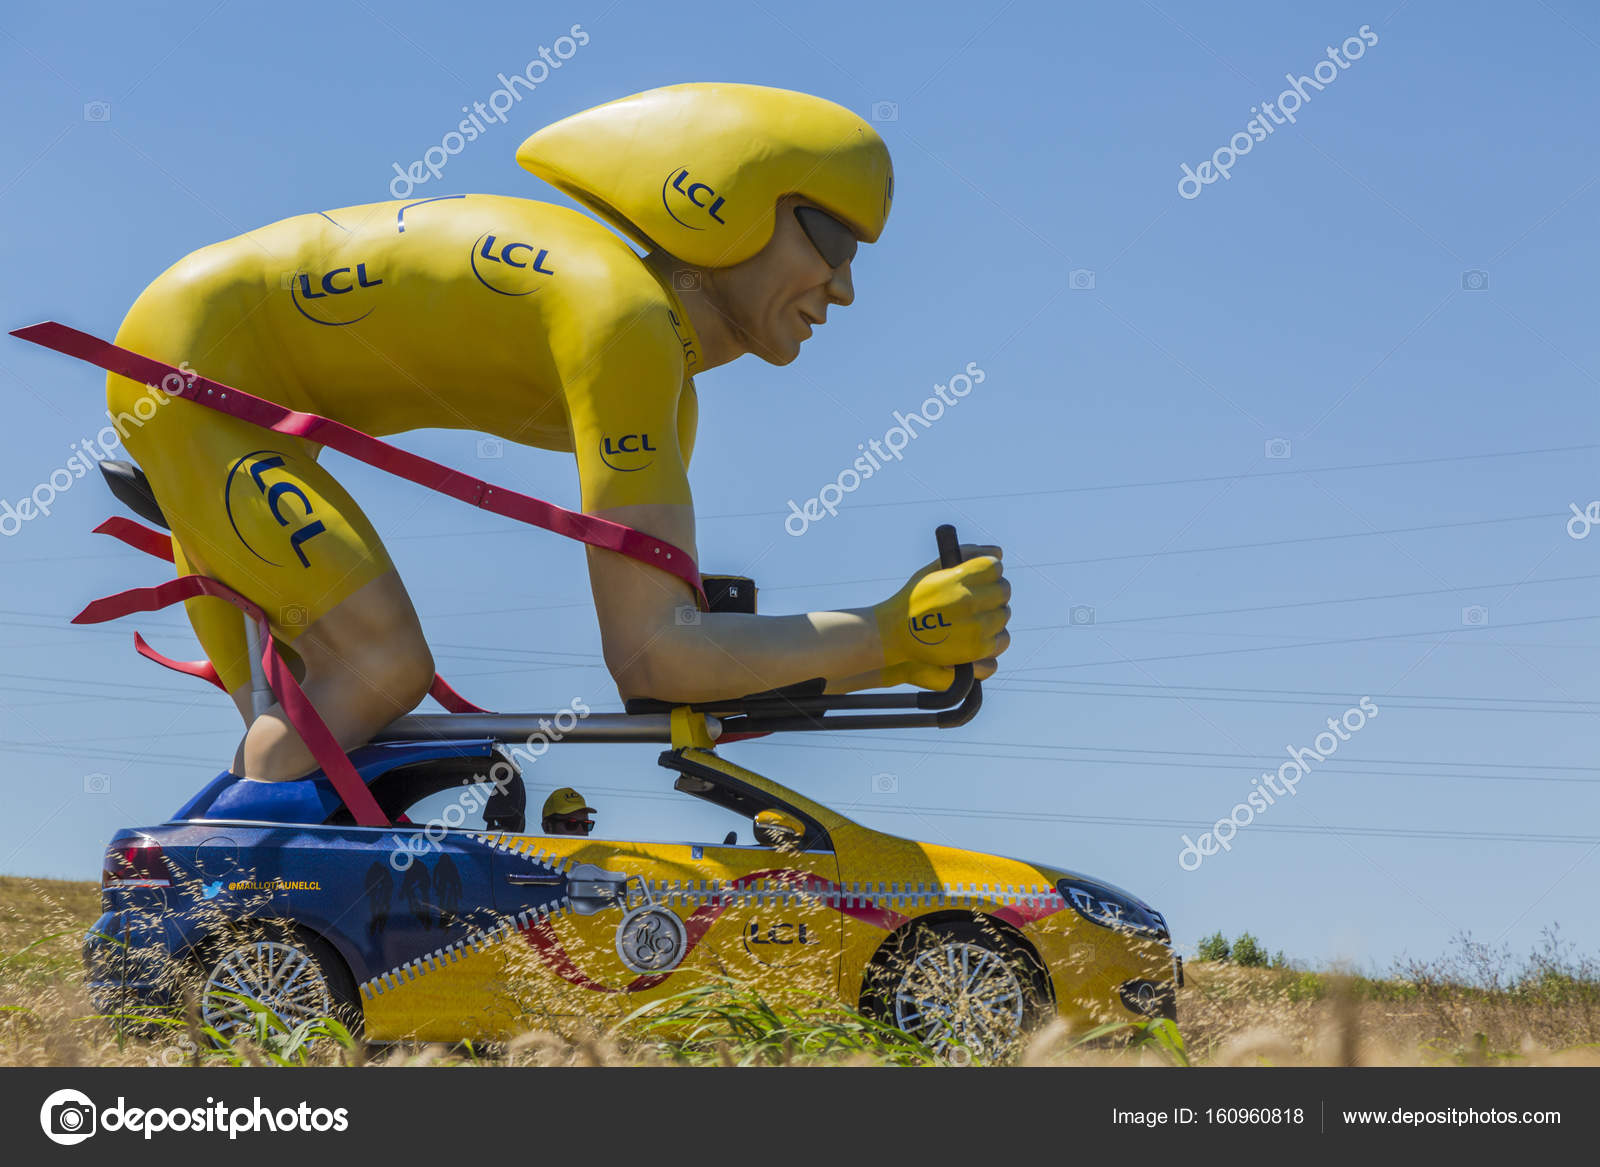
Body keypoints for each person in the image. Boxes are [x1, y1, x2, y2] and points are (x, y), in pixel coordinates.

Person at [103, 82, 1012, 782]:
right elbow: (655, 653)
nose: (844, 287)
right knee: (374, 665)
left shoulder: (654, 366)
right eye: (832, 242)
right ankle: (216, 902)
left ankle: (233, 893)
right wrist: (891, 636)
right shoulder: (621, 321)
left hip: (207, 353)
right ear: (724, 201)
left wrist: (890, 647)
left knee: (323, 707)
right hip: (192, 365)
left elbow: (665, 662)